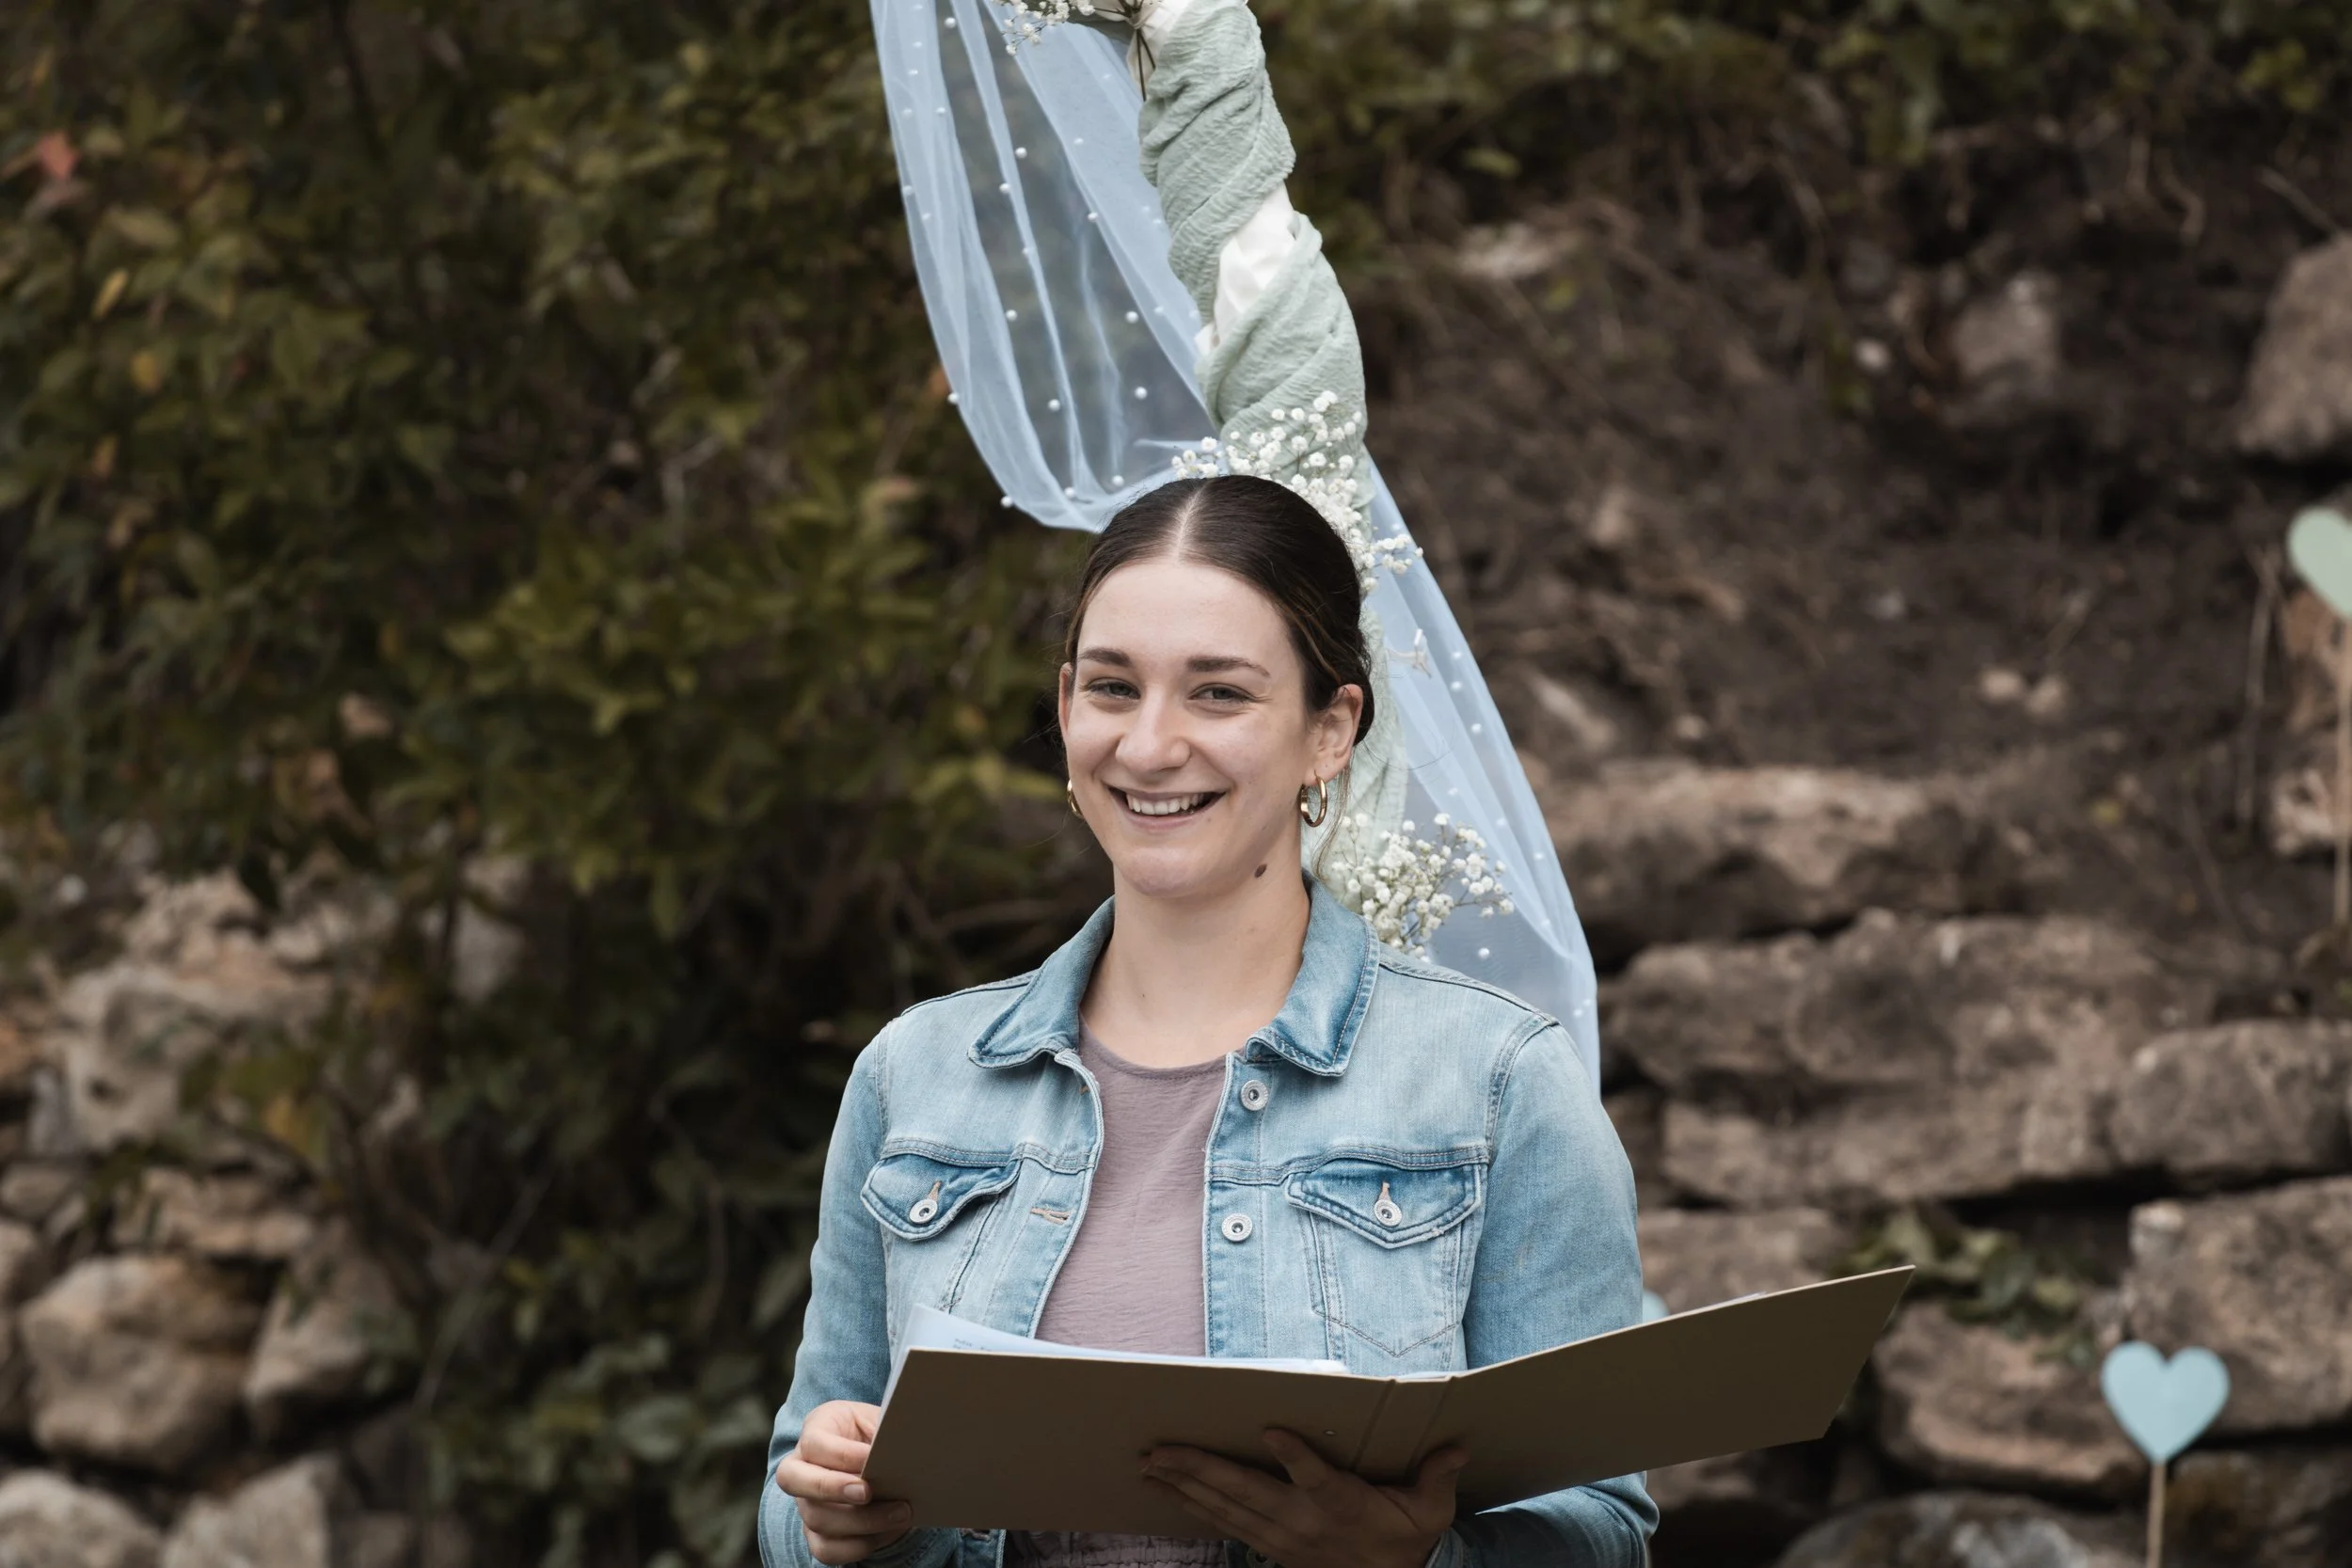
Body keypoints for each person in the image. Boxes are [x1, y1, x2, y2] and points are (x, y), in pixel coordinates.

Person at [756, 474, 1655, 1567]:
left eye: (1218, 693)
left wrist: (1407, 1560)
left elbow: (1601, 1528)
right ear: (1064, 705)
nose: (1148, 743)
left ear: (1331, 730)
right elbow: (795, 1484)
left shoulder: (1497, 1081)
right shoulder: (916, 1074)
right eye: (1111, 687)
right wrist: (829, 1521)